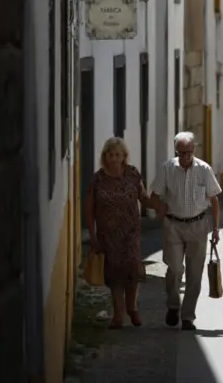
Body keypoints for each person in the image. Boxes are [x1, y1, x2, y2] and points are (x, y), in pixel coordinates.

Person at [149, 131, 222, 332]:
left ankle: (188, 316)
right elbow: (154, 195)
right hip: (173, 224)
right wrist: (159, 209)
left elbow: (214, 200)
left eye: (189, 153)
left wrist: (215, 229)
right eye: (181, 153)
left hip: (198, 225)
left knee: (194, 274)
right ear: (176, 152)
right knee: (175, 268)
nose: (185, 157)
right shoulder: (167, 169)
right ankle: (173, 305)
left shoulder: (204, 169)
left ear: (193, 150)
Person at [85, 136, 150, 328]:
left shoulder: (132, 174)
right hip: (108, 235)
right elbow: (89, 210)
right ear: (105, 156)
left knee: (132, 271)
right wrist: (93, 235)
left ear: (124, 156)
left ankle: (132, 308)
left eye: (117, 155)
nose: (113, 158)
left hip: (131, 232)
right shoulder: (98, 179)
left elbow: (143, 197)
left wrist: (159, 203)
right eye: (110, 155)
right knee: (114, 276)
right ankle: (118, 315)